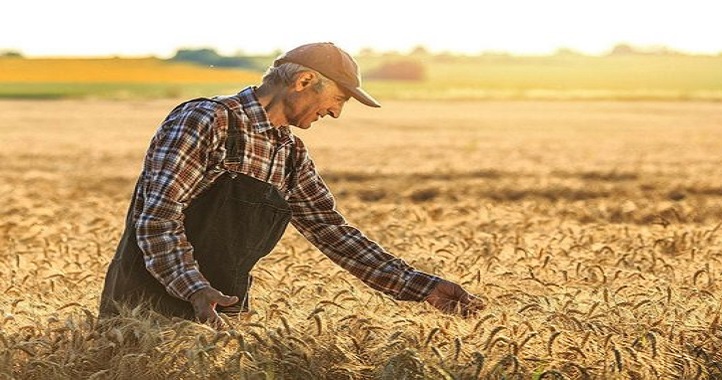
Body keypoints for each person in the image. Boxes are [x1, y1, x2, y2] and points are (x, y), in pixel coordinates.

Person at [98, 42, 484, 325]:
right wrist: (194, 289)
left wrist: (422, 287)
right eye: (339, 99)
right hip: (144, 312)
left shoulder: (289, 153)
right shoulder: (207, 120)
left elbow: (332, 232)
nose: (335, 112)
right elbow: (158, 220)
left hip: (219, 314)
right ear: (303, 81)